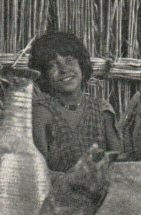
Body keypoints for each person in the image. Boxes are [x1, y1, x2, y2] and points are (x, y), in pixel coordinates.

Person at [29, 31, 122, 172]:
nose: (64, 69)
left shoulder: (101, 110)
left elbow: (119, 162)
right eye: (52, 65)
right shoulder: (41, 112)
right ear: (44, 76)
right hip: (58, 191)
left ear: (82, 64)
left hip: (100, 190)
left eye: (69, 61)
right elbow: (37, 171)